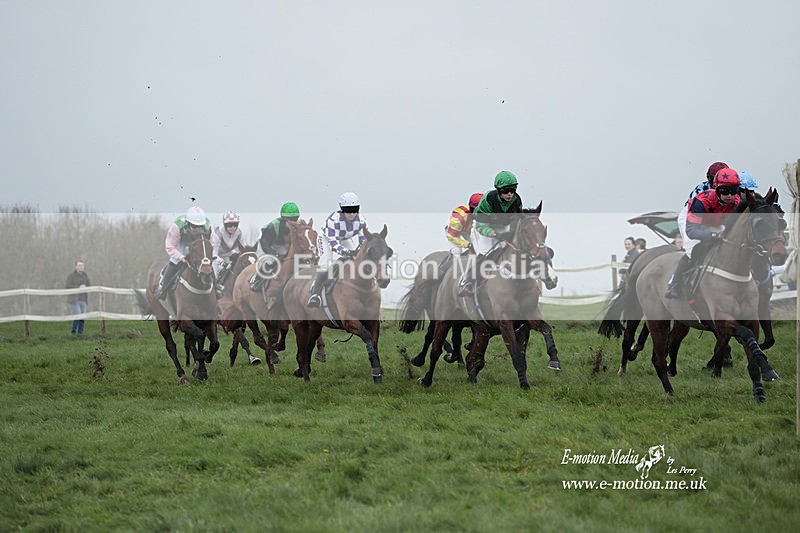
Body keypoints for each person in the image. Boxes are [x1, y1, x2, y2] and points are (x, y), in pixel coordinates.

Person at [665, 168, 741, 299]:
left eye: (733, 191)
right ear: (716, 189)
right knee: (692, 250)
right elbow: (692, 231)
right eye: (725, 191)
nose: (729, 195)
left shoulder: (737, 202)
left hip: (714, 221)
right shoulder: (701, 201)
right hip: (692, 221)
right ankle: (673, 284)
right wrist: (711, 236)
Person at [457, 171, 523, 296]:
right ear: (498, 190)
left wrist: (510, 232)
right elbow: (481, 224)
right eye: (505, 190)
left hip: (503, 227)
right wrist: (493, 234)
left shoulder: (517, 201)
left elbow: (517, 220)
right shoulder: (488, 200)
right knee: (486, 254)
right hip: (482, 228)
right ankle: (468, 282)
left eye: (513, 190)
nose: (510, 194)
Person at [308, 192, 367, 307]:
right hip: (326, 239)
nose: (351, 214)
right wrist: (347, 252)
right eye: (348, 210)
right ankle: (315, 294)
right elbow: (333, 244)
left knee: (356, 261)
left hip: (344, 239)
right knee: (325, 264)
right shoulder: (333, 220)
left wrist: (358, 253)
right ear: (342, 209)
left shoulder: (361, 221)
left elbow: (362, 241)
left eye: (354, 210)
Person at [158, 205, 211, 300]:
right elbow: (170, 246)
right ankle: (164, 287)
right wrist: (181, 257)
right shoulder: (178, 226)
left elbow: (212, 245)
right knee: (175, 259)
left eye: (200, 226)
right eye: (194, 226)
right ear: (188, 223)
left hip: (198, 242)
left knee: (207, 262)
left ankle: (216, 286)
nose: (198, 229)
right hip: (182, 241)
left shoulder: (207, 225)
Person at [211, 211, 249, 294]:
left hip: (228, 253)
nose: (233, 228)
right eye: (230, 225)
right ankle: (214, 290)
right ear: (225, 225)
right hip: (215, 256)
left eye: (235, 225)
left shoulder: (239, 232)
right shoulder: (218, 233)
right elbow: (214, 254)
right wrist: (222, 263)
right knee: (214, 273)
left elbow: (243, 248)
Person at [66, 260, 90, 335]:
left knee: (82, 316)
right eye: (79, 265)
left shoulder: (85, 275)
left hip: (83, 299)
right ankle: (73, 332)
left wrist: (85, 287)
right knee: (78, 314)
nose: (81, 267)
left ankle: (80, 333)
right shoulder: (71, 276)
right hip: (74, 300)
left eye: (82, 265)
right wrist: (78, 287)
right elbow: (67, 286)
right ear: (76, 266)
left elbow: (89, 285)